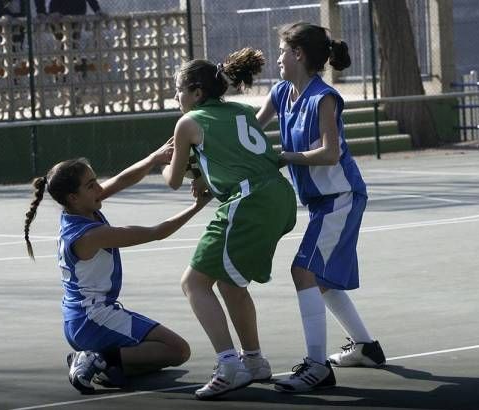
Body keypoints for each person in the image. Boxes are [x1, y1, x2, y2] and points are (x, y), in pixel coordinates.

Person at [256, 22, 386, 393]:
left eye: (282, 51)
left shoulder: (323, 98)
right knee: (320, 278)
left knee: (304, 271)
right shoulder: (282, 93)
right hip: (320, 203)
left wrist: (285, 157)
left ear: (298, 54)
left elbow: (330, 154)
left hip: (341, 197)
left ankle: (317, 367)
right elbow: (249, 128)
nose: (277, 58)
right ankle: (365, 347)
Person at [161, 48, 297, 400]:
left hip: (248, 201)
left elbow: (173, 180)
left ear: (195, 93)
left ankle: (229, 366)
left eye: (179, 90)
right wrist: (205, 174)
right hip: (278, 195)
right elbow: (238, 154)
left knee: (194, 283)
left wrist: (165, 161)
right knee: (230, 285)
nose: (176, 97)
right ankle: (253, 362)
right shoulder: (241, 110)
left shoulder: (187, 123)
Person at [23, 145, 210, 393]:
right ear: (73, 197)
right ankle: (94, 358)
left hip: (80, 317)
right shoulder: (89, 235)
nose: (99, 188)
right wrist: (198, 205)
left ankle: (103, 365)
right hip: (93, 318)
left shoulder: (78, 209)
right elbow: (156, 233)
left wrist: (154, 158)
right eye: (91, 185)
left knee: (152, 360)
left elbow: (122, 179)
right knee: (178, 351)